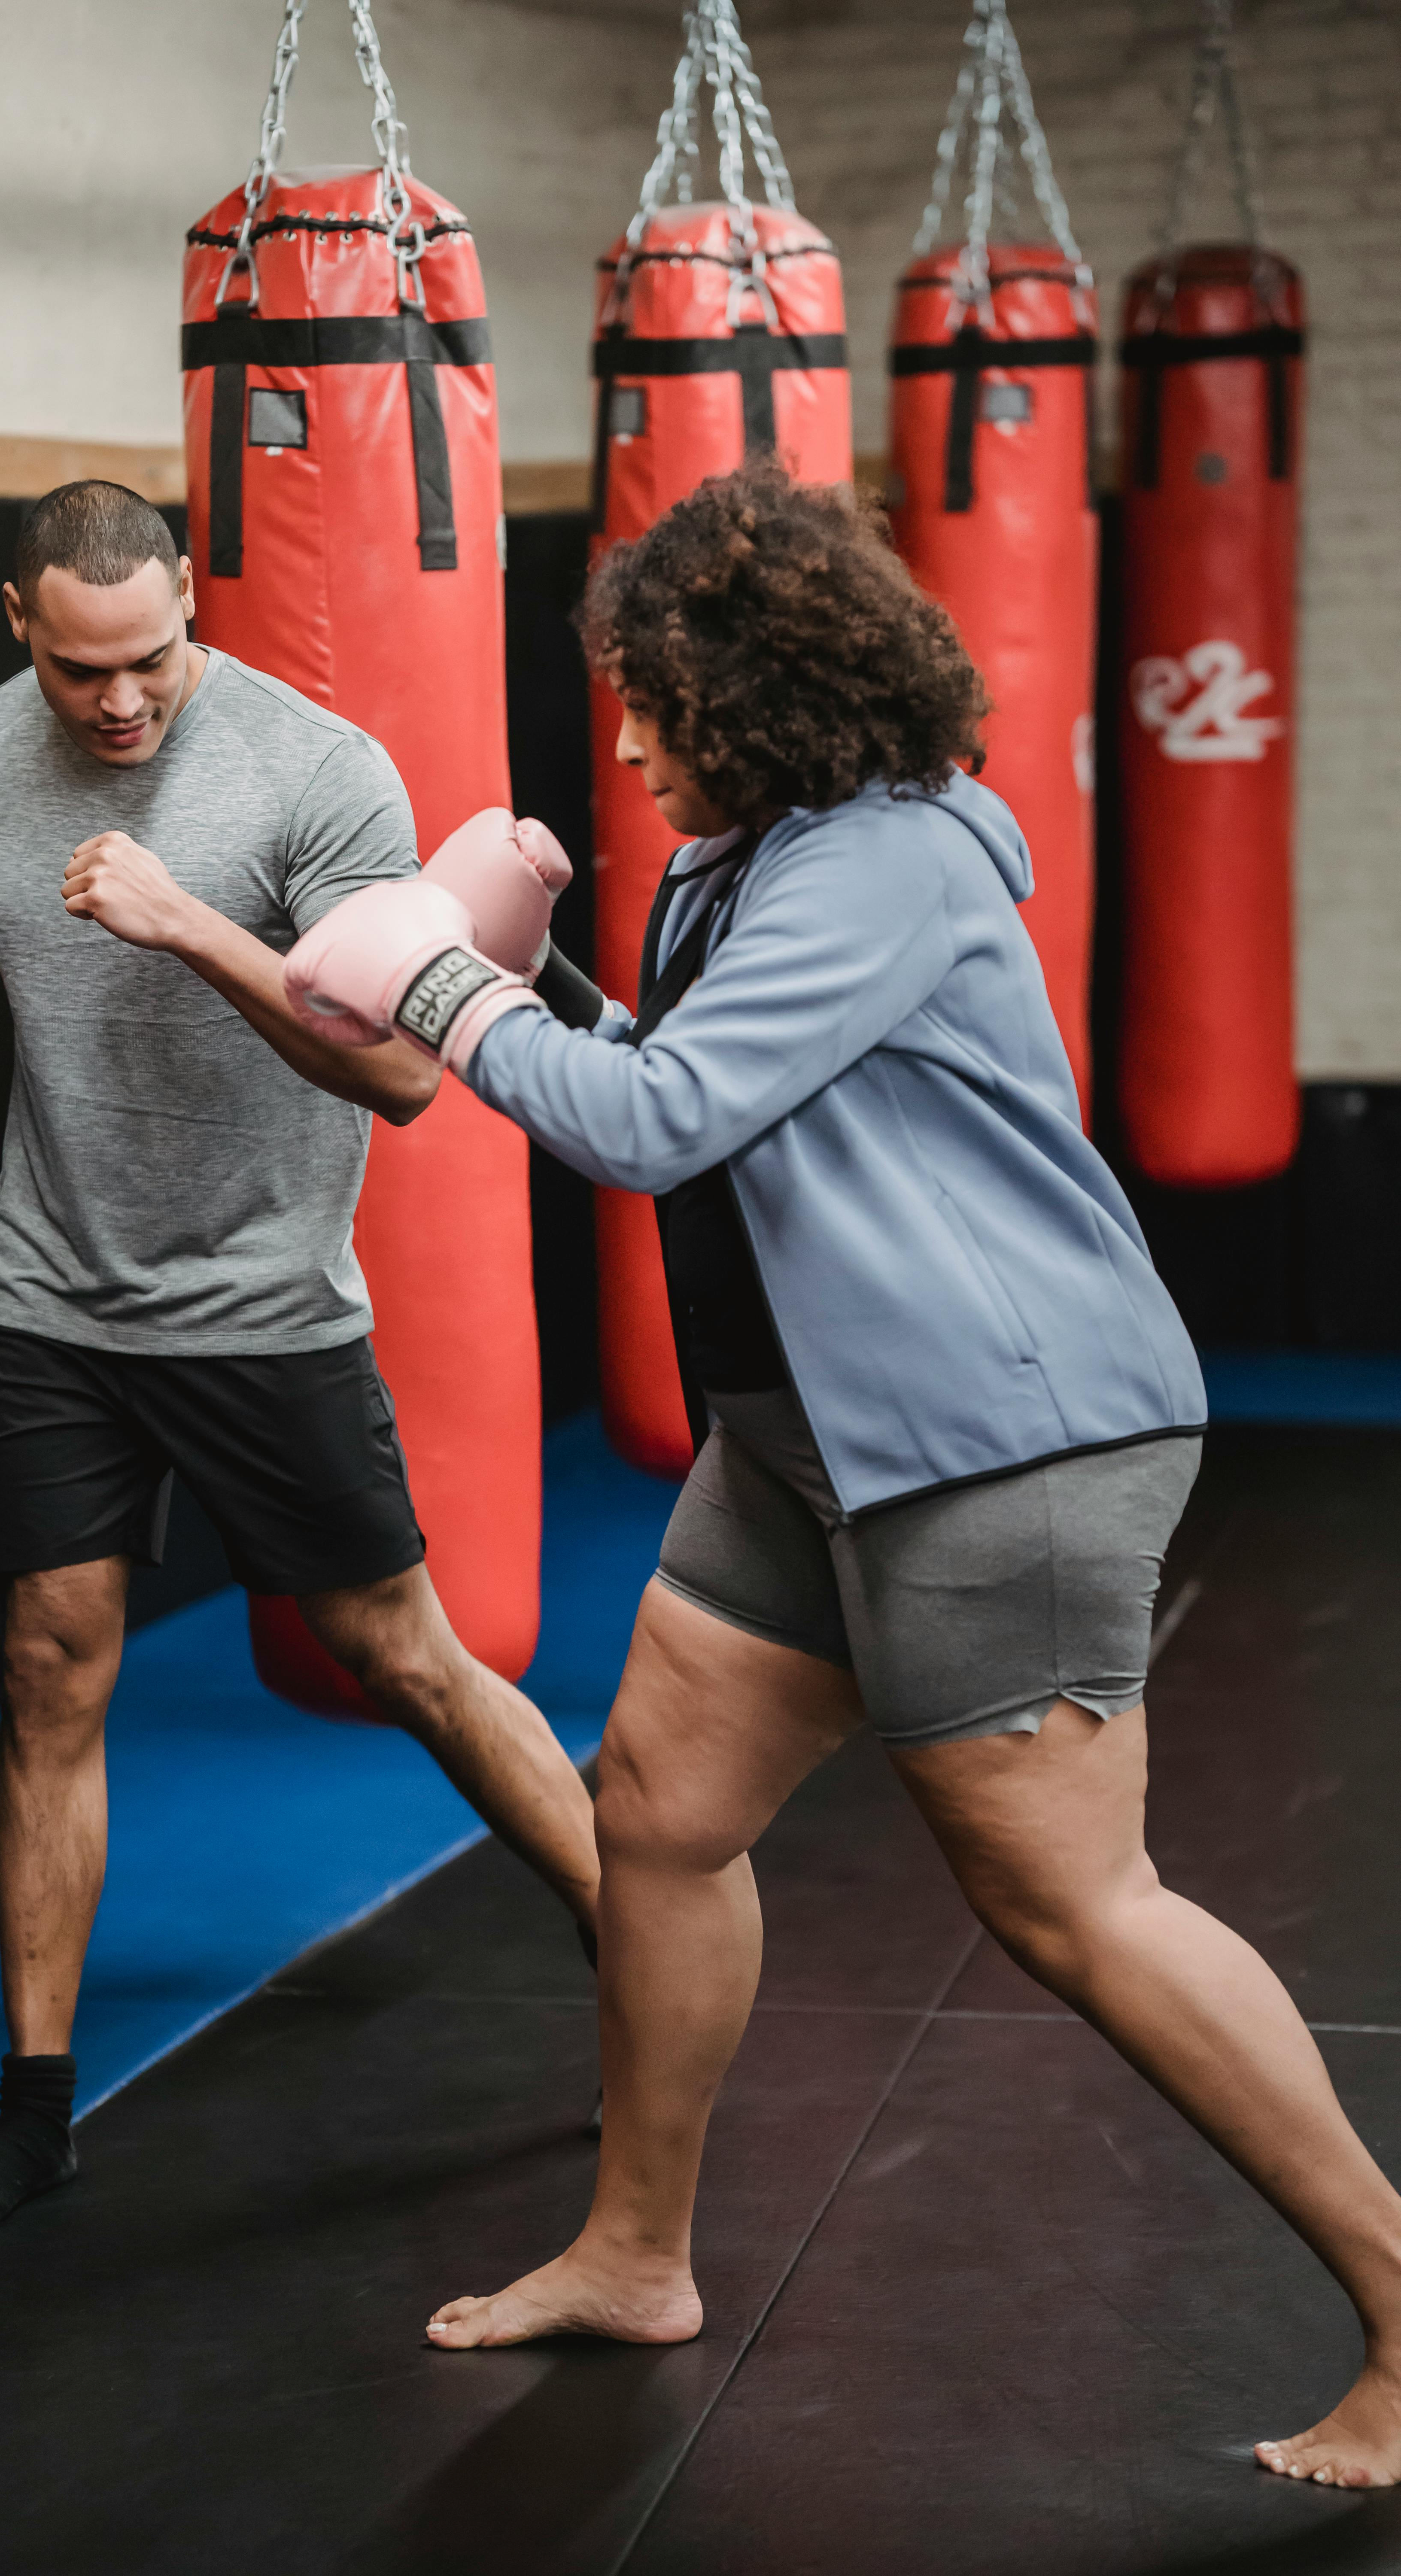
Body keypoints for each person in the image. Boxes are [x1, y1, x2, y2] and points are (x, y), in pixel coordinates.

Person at [279, 460, 1401, 2493]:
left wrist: (443, 987)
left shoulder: (882, 862)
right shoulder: (744, 861)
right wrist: (534, 984)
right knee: (660, 1814)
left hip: (1001, 1429)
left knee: (1071, 1905)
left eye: (654, 705)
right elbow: (702, 1097)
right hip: (809, 1430)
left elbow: (655, 1125)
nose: (621, 744)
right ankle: (634, 2257)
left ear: (761, 698)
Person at [0, 480, 598, 2242]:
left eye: (145, 663)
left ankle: (645, 1949)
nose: (118, 703)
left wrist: (191, 924)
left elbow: (402, 1078)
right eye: (78, 672)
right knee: (49, 1665)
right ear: (15, 626)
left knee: (407, 1659)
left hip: (262, 1304)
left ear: (191, 606)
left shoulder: (317, 771)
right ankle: (35, 2108)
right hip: (47, 1292)